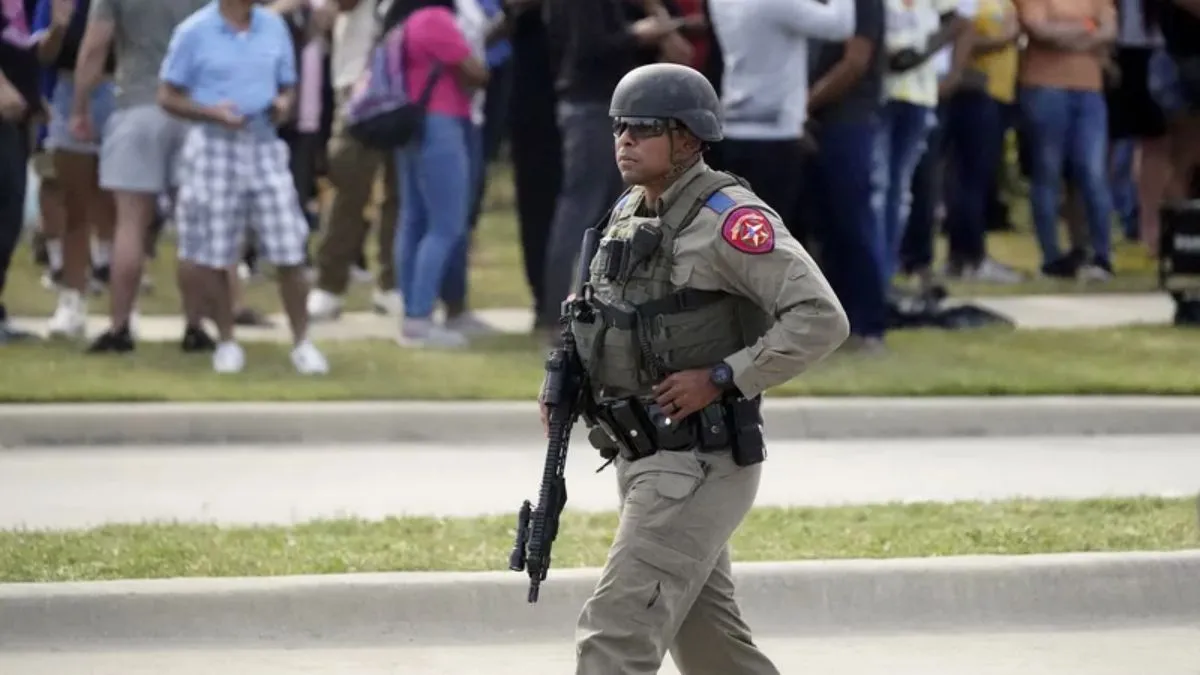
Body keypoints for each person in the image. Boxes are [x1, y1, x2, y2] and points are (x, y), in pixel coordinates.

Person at [542, 63, 849, 675]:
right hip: (642, 453)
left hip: (698, 462)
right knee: (713, 649)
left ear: (686, 138)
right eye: (619, 126)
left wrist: (724, 376)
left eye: (643, 128)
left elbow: (821, 317)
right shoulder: (632, 208)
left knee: (615, 633)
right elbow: (598, 312)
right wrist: (563, 379)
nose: (625, 140)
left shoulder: (728, 219)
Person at [158, 0, 329, 374]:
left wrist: (283, 103)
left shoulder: (273, 27)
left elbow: (287, 85)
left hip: (264, 143)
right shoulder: (193, 32)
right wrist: (210, 112)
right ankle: (227, 342)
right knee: (218, 251)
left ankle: (302, 342)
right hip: (213, 146)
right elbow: (167, 95)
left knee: (290, 247)